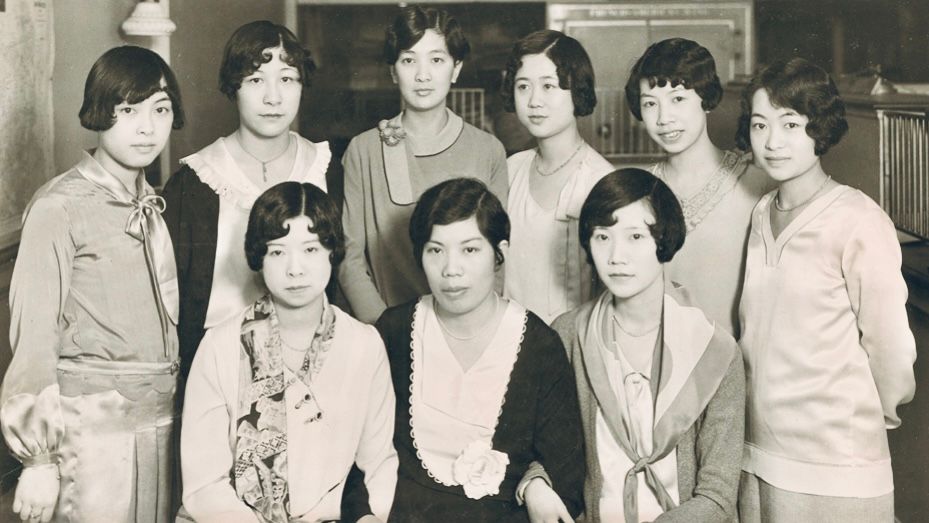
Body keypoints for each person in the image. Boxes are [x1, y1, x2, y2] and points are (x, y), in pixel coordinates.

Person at [0, 45, 184, 522]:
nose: (147, 127)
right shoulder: (59, 206)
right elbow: (34, 337)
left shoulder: (149, 204)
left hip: (160, 425)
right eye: (128, 110)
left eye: (159, 110)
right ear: (101, 112)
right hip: (92, 436)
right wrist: (38, 459)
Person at [735, 57, 916, 522]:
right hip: (759, 453)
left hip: (837, 463)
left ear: (820, 127)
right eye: (760, 124)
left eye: (790, 124)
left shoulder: (857, 219)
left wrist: (862, 423)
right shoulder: (759, 214)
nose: (773, 141)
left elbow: (890, 348)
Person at [358, 178, 584, 521]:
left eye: (469, 250)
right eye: (436, 250)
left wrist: (535, 485)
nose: (451, 270)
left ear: (500, 254)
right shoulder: (393, 331)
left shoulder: (540, 346)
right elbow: (351, 448)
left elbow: (565, 476)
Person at [180, 182, 397, 523]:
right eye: (277, 252)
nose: (295, 269)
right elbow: (204, 485)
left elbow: (379, 464)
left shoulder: (364, 345)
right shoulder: (220, 345)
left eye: (310, 250)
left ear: (332, 252)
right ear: (259, 257)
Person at [547, 168, 744, 522]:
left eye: (635, 236)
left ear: (664, 239)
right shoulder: (569, 334)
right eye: (602, 237)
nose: (616, 256)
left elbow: (718, 495)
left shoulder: (715, 350)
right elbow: (545, 449)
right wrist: (535, 483)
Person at [162, 20, 332, 376]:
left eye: (287, 79)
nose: (273, 97)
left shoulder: (327, 168)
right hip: (218, 367)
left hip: (315, 361)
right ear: (233, 87)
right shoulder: (195, 182)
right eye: (256, 80)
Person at [338, 5, 508, 324]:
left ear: (456, 69)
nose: (422, 75)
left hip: (470, 328)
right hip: (386, 331)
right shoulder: (364, 150)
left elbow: (497, 258)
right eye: (408, 60)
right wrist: (386, 329)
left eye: (437, 59)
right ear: (392, 71)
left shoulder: (488, 151)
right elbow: (349, 258)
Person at [624, 38, 773, 337]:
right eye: (650, 104)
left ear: (705, 99)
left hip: (735, 367)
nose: (664, 119)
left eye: (678, 99)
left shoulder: (756, 181)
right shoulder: (638, 191)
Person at [501, 29, 614, 324]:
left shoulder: (601, 181)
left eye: (549, 86)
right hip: (508, 341)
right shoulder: (511, 170)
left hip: (572, 347)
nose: (534, 101)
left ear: (577, 91)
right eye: (523, 86)